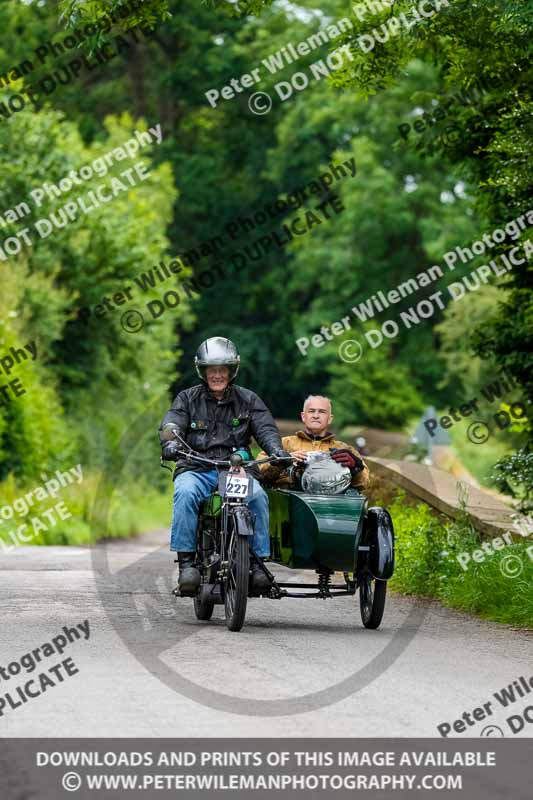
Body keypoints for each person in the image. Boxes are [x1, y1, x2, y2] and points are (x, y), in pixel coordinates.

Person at [159, 336, 290, 594]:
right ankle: (187, 565)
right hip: (196, 467)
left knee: (258, 497)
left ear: (231, 371)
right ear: (203, 371)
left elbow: (266, 429)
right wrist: (170, 444)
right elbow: (171, 424)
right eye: (212, 370)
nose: (217, 375)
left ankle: (256, 564)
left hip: (235, 469)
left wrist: (276, 450)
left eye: (222, 370)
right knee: (184, 493)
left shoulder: (249, 400)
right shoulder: (186, 399)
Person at [258, 394, 369, 489]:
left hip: (331, 504)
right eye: (311, 411)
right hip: (290, 503)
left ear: (330, 418)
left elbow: (364, 483)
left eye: (322, 412)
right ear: (303, 416)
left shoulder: (345, 449)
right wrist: (284, 460)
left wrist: (356, 467)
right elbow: (258, 472)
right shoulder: (283, 444)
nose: (316, 416)